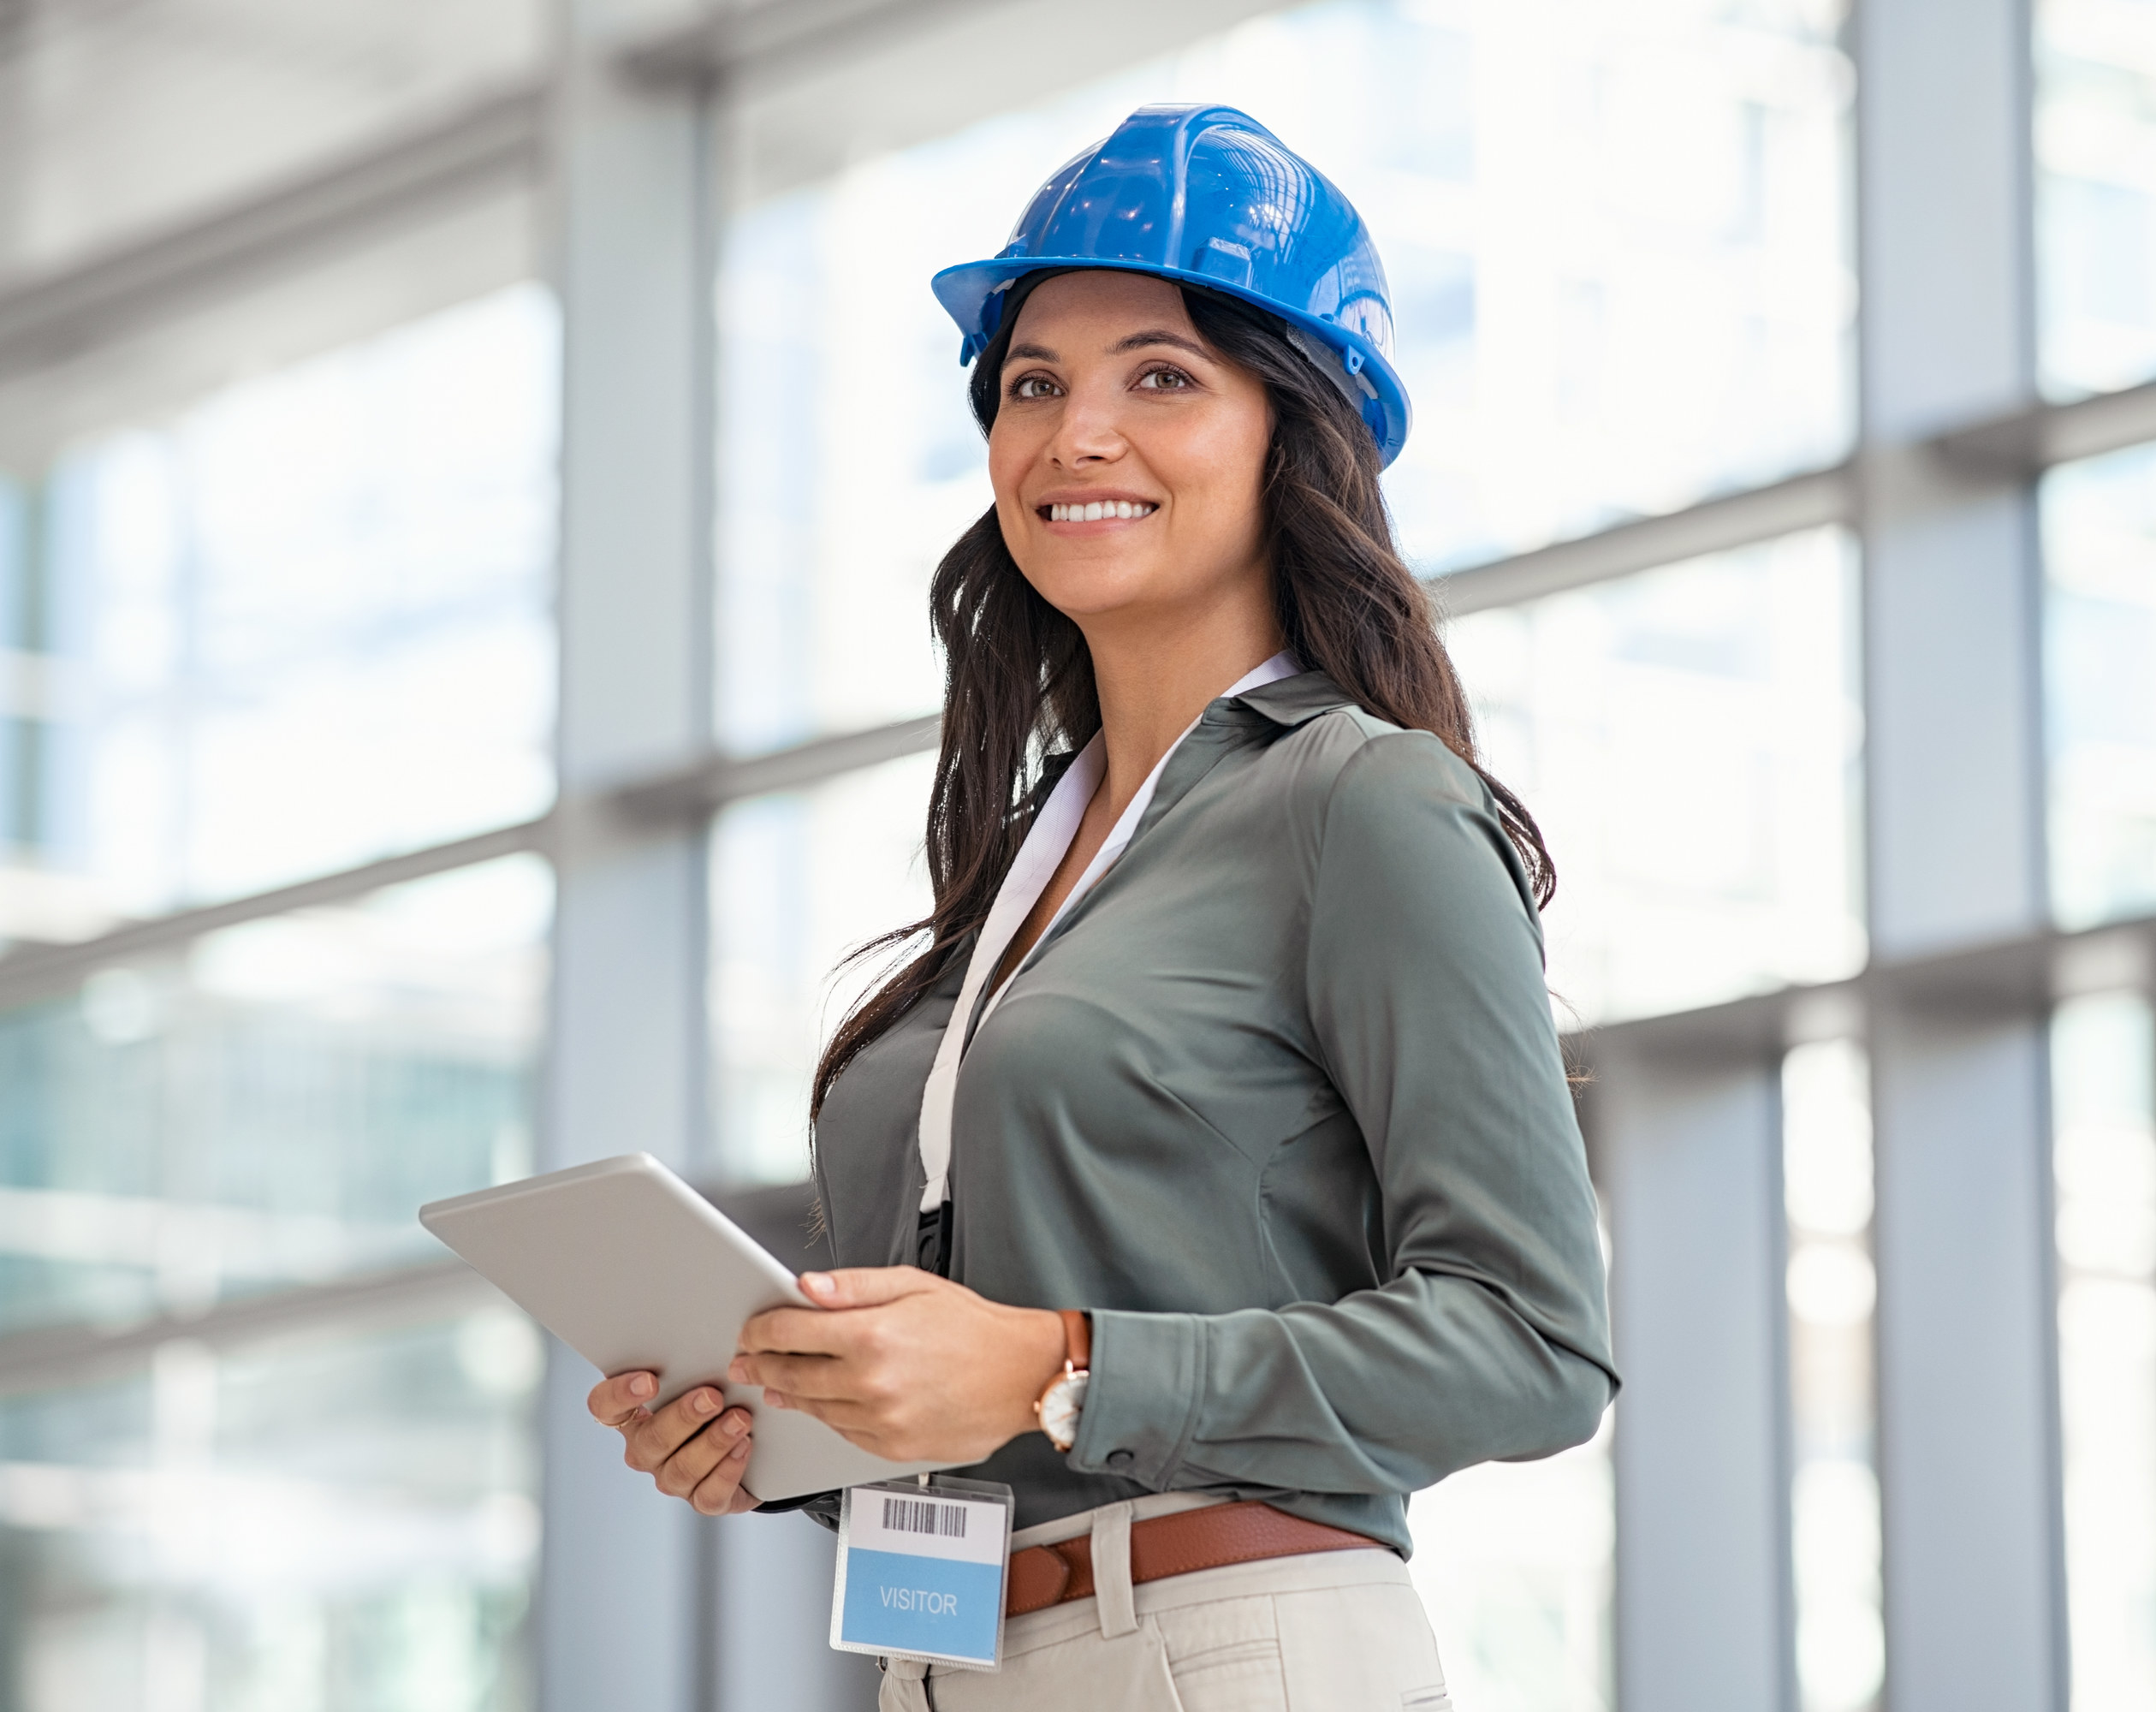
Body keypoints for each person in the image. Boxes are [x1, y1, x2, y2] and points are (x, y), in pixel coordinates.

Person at [586, 104, 1614, 1710]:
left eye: (1162, 377)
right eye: (1034, 385)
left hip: (1222, 1649)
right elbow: (982, 1397)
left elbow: (1535, 1351)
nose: (1074, 435)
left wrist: (1057, 1364)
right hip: (946, 1652)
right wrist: (785, 1430)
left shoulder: (1363, 802)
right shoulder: (1026, 868)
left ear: (1298, 431)